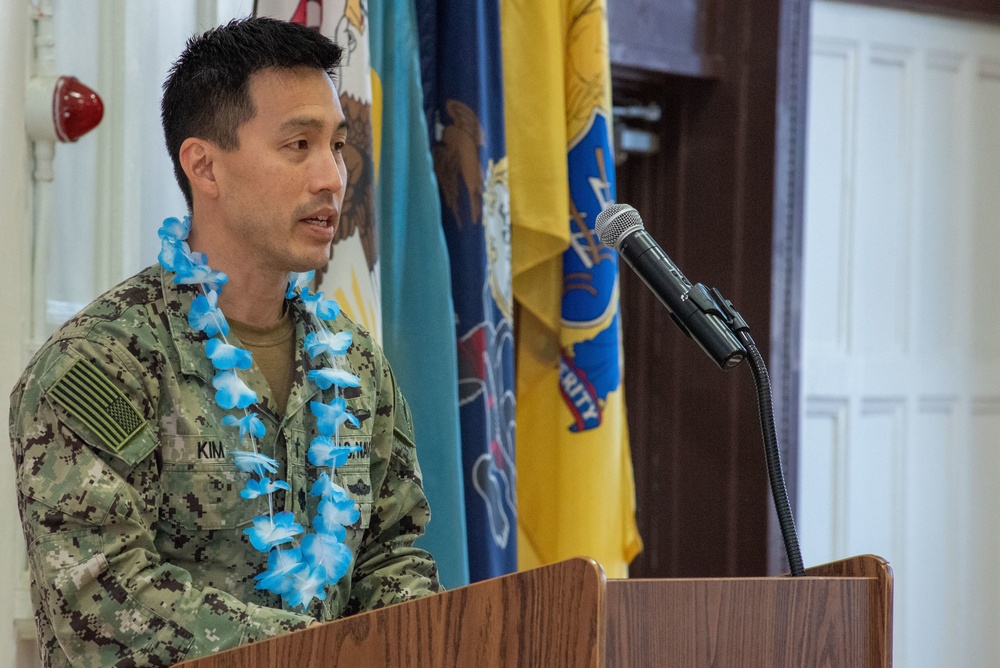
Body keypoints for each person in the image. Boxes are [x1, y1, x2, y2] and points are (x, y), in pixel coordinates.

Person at [10, 17, 440, 667]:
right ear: (204, 166)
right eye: (298, 144)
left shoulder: (354, 363)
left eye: (337, 145)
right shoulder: (100, 365)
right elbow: (103, 596)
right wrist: (325, 655)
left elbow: (393, 553)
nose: (332, 177)